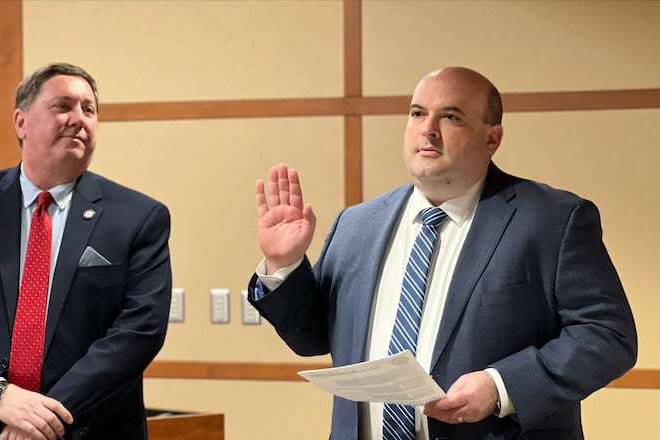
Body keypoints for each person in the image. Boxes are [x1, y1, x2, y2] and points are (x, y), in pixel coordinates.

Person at [248, 67, 637, 440]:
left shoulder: (553, 219)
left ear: (492, 138)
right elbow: (311, 337)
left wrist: (502, 386)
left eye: (450, 117)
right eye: (418, 113)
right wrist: (285, 265)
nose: (428, 130)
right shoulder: (356, 225)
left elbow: (607, 336)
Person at [0, 62, 172, 440]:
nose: (79, 119)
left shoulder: (139, 218)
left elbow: (140, 330)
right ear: (21, 122)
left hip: (87, 426)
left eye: (89, 109)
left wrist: (44, 416)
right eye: (63, 106)